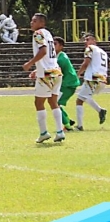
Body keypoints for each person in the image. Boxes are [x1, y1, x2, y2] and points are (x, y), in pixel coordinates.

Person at [22, 13, 65, 143]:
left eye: (34, 21)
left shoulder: (38, 33)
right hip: (56, 71)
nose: (31, 23)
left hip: (46, 74)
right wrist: (37, 68)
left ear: (42, 22)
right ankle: (59, 131)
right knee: (53, 102)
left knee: (39, 102)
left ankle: (44, 132)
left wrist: (30, 63)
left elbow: (43, 51)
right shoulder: (48, 34)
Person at [74, 32, 108, 131]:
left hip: (93, 77)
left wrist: (78, 73)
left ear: (94, 41)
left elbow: (86, 62)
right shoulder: (103, 52)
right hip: (102, 78)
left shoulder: (90, 48)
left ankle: (80, 126)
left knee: (80, 99)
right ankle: (100, 110)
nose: (85, 42)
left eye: (88, 39)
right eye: (85, 40)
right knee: (83, 97)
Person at [53, 36, 79, 132]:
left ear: (61, 46)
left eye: (55, 44)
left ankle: (67, 126)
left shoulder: (60, 59)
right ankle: (68, 120)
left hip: (67, 84)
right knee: (55, 103)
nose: (52, 46)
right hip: (68, 83)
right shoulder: (61, 55)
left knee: (55, 104)